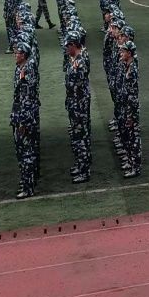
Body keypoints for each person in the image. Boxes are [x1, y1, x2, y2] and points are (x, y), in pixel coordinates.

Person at [11, 41, 39, 199]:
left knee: (26, 153)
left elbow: (27, 98)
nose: (15, 55)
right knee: (23, 152)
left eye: (18, 53)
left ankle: (28, 186)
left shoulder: (27, 71)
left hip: (25, 117)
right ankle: (27, 181)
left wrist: (22, 121)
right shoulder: (20, 68)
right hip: (19, 114)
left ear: (24, 55)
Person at [64, 31, 92, 183]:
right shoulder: (75, 59)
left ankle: (84, 170)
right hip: (75, 103)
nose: (66, 49)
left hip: (79, 105)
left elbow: (75, 85)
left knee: (81, 137)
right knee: (78, 137)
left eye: (68, 46)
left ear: (74, 45)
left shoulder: (79, 63)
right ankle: (81, 165)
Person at [117, 41, 141, 178]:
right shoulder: (127, 66)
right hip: (127, 107)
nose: (121, 53)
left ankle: (135, 167)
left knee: (134, 138)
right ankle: (131, 162)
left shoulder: (132, 71)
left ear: (129, 53)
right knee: (129, 136)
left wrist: (131, 115)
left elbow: (133, 95)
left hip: (131, 109)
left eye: (123, 51)